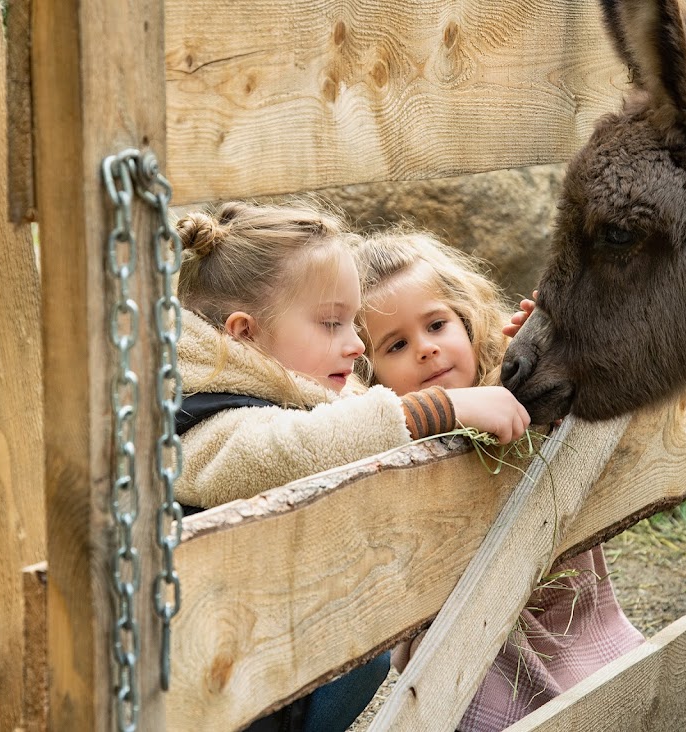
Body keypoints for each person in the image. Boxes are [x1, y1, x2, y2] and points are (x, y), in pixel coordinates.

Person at [173, 201, 531, 731]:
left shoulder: (291, 388)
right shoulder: (198, 421)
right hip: (220, 686)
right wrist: (443, 408)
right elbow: (291, 449)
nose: (357, 343)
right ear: (243, 333)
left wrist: (530, 358)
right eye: (332, 323)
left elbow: (371, 416)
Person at [352, 228, 645, 732]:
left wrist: (550, 362)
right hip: (466, 652)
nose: (425, 349)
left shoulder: (512, 392)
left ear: (466, 323)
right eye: (396, 344)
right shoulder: (383, 440)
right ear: (368, 372)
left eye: (437, 325)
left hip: (568, 616)